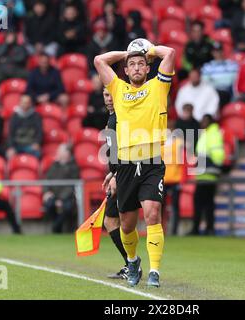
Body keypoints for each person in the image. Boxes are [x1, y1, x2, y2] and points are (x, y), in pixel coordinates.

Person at [94, 42, 175, 287]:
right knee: (127, 224)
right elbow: (99, 60)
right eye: (132, 64)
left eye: (141, 63)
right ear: (126, 71)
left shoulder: (158, 86)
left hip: (152, 162)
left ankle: (155, 272)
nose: (137, 67)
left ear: (148, 69)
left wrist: (148, 49)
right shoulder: (118, 89)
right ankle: (132, 260)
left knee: (152, 214)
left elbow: (169, 53)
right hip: (127, 165)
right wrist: (128, 52)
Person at [100, 88, 137, 280]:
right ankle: (131, 264)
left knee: (113, 220)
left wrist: (116, 174)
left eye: (112, 95)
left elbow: (124, 150)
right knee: (114, 220)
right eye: (106, 95)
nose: (109, 99)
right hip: (119, 173)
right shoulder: (112, 117)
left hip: (125, 174)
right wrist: (111, 172)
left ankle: (132, 264)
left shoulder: (120, 118)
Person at [190, 114, 225, 236]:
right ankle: (208, 228)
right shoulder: (207, 133)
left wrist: (214, 165)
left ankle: (200, 229)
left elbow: (217, 153)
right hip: (204, 172)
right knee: (207, 203)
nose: (202, 123)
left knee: (202, 202)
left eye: (204, 121)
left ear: (210, 122)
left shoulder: (212, 134)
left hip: (208, 172)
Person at [43, 144, 79, 233]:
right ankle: (57, 229)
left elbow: (71, 186)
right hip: (54, 195)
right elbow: (47, 180)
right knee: (49, 205)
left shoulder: (73, 167)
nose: (58, 153)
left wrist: (61, 199)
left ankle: (55, 228)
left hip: (68, 197)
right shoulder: (54, 166)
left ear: (67, 153)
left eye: (60, 151)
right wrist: (46, 192)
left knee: (67, 208)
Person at [162, 120, 186, 235]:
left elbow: (183, 162)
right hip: (162, 178)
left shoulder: (179, 142)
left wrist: (182, 180)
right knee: (160, 206)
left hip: (175, 179)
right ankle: (161, 229)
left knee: (175, 206)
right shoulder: (160, 142)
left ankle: (174, 231)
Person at [201, 42, 239, 106]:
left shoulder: (232, 65)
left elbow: (235, 80)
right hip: (213, 92)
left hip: (228, 92)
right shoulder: (207, 67)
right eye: (215, 51)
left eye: (219, 51)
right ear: (212, 53)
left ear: (223, 51)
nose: (218, 53)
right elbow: (206, 83)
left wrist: (216, 82)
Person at [6, 95, 43, 159]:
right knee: (9, 154)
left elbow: (39, 132)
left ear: (30, 104)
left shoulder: (36, 116)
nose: (25, 105)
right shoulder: (14, 116)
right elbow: (10, 134)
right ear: (20, 103)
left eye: (27, 102)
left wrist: (37, 143)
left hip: (30, 145)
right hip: (17, 145)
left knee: (37, 153)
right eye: (23, 102)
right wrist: (11, 147)